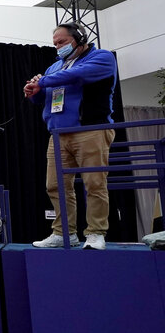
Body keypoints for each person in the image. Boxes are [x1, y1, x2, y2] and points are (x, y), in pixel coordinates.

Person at [24, 22, 117, 250]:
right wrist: (33, 91)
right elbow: (45, 96)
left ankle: (96, 232)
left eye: (62, 42)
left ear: (79, 38)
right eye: (55, 43)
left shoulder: (102, 57)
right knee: (54, 186)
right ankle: (64, 232)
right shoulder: (54, 67)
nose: (58, 47)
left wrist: (42, 81)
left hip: (90, 130)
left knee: (94, 184)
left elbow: (78, 75)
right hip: (57, 134)